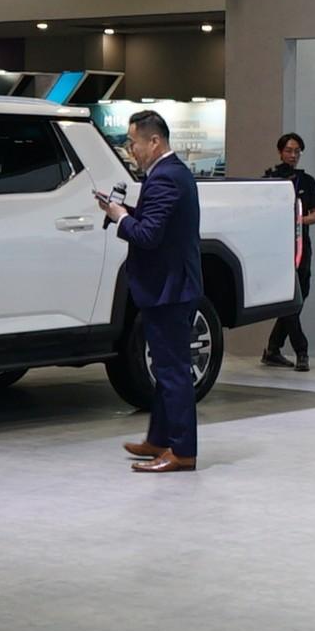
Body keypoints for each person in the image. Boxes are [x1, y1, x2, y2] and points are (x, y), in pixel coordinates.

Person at [97, 110, 203, 473]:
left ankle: (182, 451)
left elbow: (148, 235)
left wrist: (120, 216)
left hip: (168, 291)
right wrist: (124, 210)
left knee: (173, 372)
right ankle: (159, 439)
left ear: (154, 141)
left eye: (133, 143)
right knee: (165, 368)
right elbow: (158, 224)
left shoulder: (166, 178)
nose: (131, 150)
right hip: (169, 288)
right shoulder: (170, 174)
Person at [260, 132, 315, 371]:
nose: (293, 155)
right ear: (280, 152)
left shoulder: (307, 181)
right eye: (288, 150)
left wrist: (297, 220)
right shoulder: (269, 180)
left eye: (297, 151)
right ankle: (301, 351)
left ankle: (273, 349)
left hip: (301, 247)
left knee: (299, 296)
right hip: (277, 248)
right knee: (289, 299)